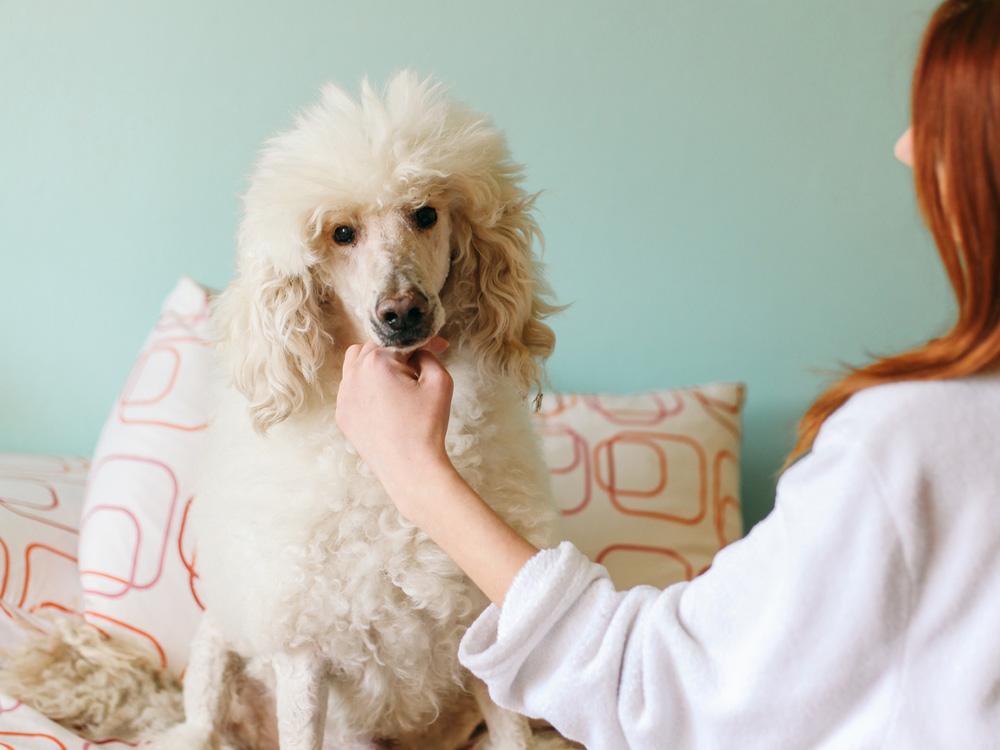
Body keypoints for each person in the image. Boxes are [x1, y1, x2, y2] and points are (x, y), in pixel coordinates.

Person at [335, 1, 1000, 746]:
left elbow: (660, 690)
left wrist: (414, 471)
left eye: (947, 116)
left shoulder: (920, 442)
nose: (909, 145)